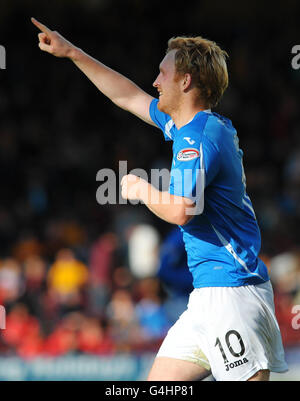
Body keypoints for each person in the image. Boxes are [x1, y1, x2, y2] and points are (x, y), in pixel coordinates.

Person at [31, 18, 288, 381]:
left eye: (163, 73)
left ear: (186, 82)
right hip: (207, 296)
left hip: (232, 295)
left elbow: (182, 209)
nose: (155, 82)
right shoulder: (192, 127)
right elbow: (127, 95)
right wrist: (72, 52)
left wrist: (140, 188)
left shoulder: (198, 137)